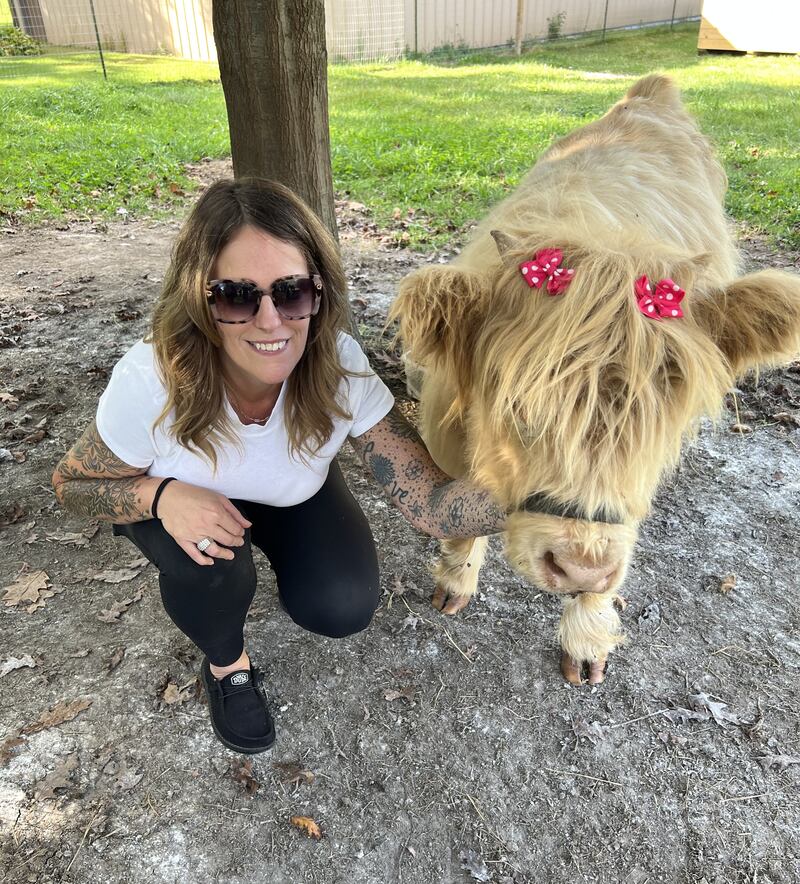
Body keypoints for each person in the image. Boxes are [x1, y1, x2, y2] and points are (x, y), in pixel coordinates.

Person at [52, 179, 506, 755]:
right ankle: (227, 667)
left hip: (293, 496)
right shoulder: (152, 380)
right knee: (214, 571)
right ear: (199, 299)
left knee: (341, 606)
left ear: (319, 293)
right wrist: (163, 497)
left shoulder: (337, 362)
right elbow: (72, 484)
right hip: (183, 501)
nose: (270, 321)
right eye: (236, 296)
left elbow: (429, 502)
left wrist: (553, 497)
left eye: (291, 292)